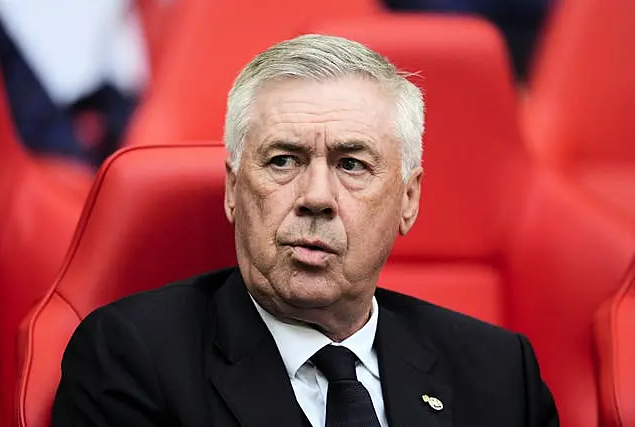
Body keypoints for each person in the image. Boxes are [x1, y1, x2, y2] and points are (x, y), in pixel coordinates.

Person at [51, 34, 559, 426]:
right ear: (233, 189)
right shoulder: (132, 358)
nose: (316, 197)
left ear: (408, 199)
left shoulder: (498, 372)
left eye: (352, 164)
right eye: (283, 160)